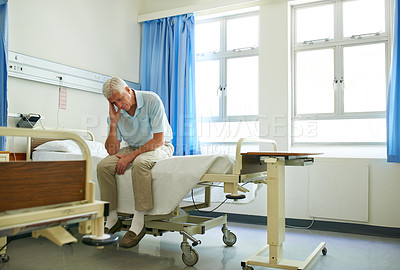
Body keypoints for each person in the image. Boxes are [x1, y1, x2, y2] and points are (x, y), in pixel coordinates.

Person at [97, 77, 173, 248]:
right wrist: (114, 122)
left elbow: (158, 140)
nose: (119, 104)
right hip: (131, 147)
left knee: (140, 164)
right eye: (113, 102)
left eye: (120, 98)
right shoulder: (116, 112)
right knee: (103, 166)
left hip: (158, 146)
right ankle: (112, 218)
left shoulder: (151, 100)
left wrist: (130, 158)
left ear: (128, 90)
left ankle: (138, 223)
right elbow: (112, 150)